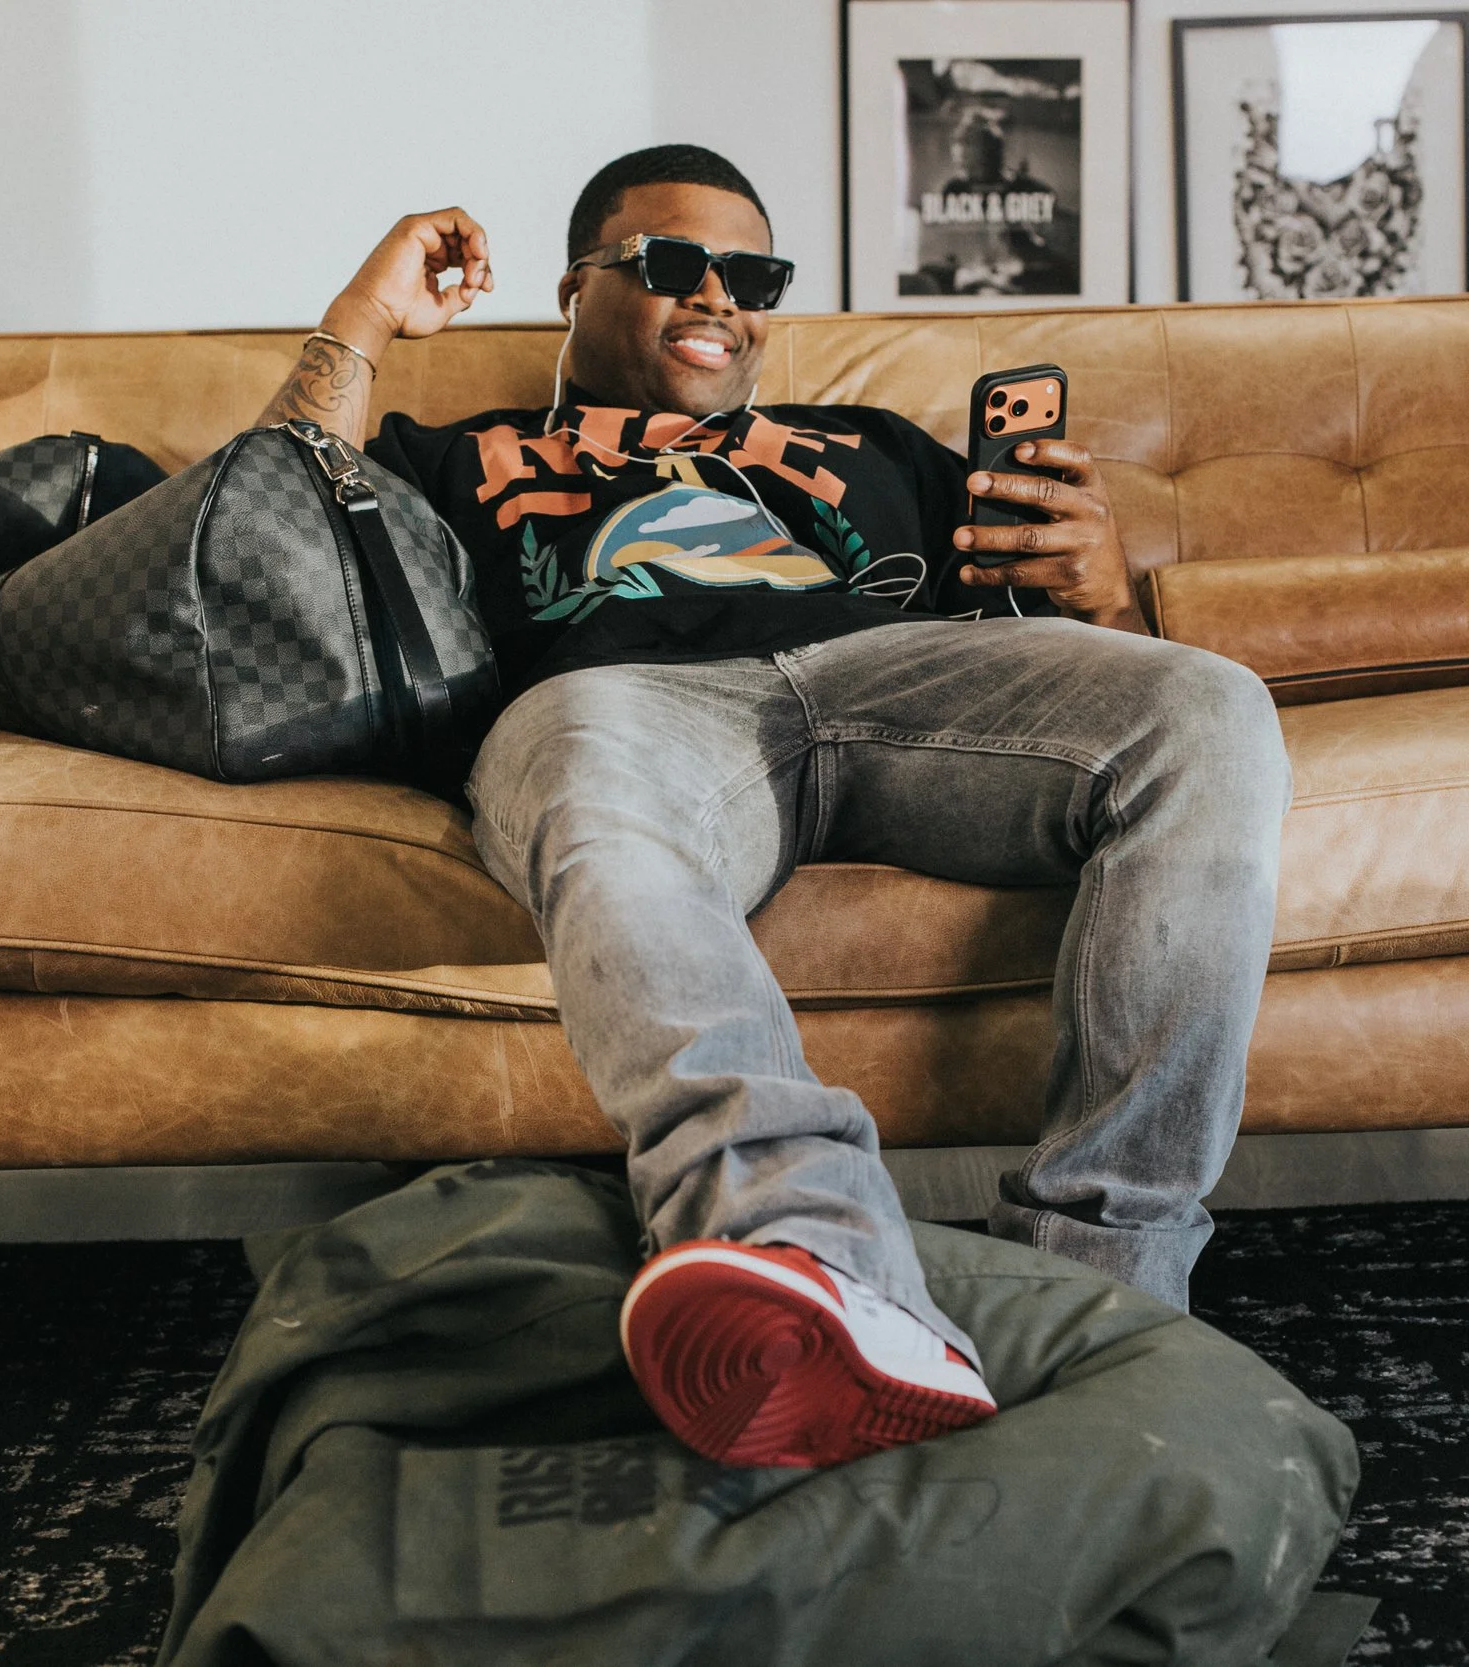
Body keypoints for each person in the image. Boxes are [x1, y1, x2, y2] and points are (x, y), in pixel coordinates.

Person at [254, 145, 1289, 1470]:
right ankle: (809, 1252)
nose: (719, 299)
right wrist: (364, 315)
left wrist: (1105, 595)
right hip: (624, 698)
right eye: (675, 264)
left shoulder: (877, 446)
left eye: (752, 277)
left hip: (897, 679)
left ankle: (1106, 1287)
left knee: (1208, 701)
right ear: (574, 288)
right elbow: (260, 538)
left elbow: (1072, 675)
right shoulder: (452, 455)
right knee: (585, 775)